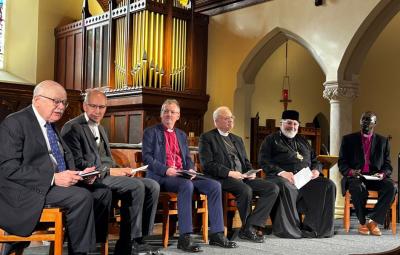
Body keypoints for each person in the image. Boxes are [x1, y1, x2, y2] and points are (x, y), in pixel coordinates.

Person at [0, 80, 112, 255]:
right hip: (28, 188)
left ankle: (88, 244)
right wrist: (53, 178)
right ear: (37, 100)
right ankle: (80, 251)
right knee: (81, 196)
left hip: (54, 182)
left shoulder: (50, 124)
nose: (61, 107)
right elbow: (8, 167)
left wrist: (80, 174)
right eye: (56, 101)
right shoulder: (15, 123)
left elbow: (61, 159)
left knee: (102, 192)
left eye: (64, 102)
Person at [61, 89, 161, 255]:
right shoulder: (72, 127)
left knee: (152, 185)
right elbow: (76, 164)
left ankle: (139, 239)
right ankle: (128, 245)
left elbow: (107, 158)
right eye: (94, 106)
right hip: (92, 178)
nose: (98, 111)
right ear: (84, 106)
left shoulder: (102, 129)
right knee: (136, 186)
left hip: (109, 174)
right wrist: (112, 171)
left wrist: (122, 170)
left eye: (102, 107)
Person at [142, 99, 238, 252]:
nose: (169, 114)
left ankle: (217, 234)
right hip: (162, 176)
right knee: (186, 185)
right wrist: (166, 169)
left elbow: (186, 158)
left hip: (182, 174)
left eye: (172, 112)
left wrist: (191, 169)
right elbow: (147, 158)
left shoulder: (181, 134)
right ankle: (185, 237)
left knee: (214, 185)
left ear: (178, 116)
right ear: (161, 114)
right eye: (165, 111)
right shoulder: (151, 132)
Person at [198, 106, 279, 243]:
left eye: (231, 118)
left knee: (272, 188)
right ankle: (248, 229)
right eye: (226, 118)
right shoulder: (207, 138)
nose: (230, 121)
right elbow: (207, 165)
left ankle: (249, 226)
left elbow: (246, 162)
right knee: (245, 190)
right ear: (216, 121)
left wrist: (250, 172)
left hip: (243, 177)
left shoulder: (237, 139)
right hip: (221, 178)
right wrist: (230, 173)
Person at [258, 110, 336, 238]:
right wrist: (282, 172)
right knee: (285, 185)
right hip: (280, 178)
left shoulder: (303, 141)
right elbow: (264, 161)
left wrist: (316, 169)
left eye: (295, 124)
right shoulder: (271, 139)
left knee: (328, 185)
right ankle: (291, 229)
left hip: (304, 180)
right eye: (289, 123)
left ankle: (316, 228)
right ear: (281, 123)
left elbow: (315, 160)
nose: (292, 127)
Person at [338, 111, 397, 236]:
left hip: (375, 177)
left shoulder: (383, 141)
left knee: (392, 187)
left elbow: (388, 165)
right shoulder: (348, 139)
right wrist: (351, 171)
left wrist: (382, 174)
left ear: (374, 123)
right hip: (356, 177)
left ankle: (373, 220)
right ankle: (363, 222)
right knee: (357, 187)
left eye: (369, 120)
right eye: (363, 119)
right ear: (360, 121)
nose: (365, 122)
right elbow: (342, 163)